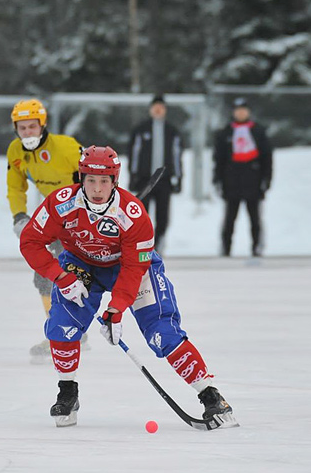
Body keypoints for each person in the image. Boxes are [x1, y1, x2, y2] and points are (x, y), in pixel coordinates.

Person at [19, 145, 236, 427]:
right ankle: (67, 392)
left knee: (162, 332)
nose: (97, 189)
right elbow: (30, 242)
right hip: (82, 264)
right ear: (81, 179)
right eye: (91, 181)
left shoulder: (133, 214)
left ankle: (211, 396)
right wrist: (60, 276)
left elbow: (135, 268)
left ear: (115, 181)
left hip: (129, 266)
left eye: (105, 181)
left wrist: (116, 308)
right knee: (62, 325)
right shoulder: (60, 203)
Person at [6, 98, 86, 363]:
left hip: (78, 216)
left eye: (32, 126)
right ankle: (61, 329)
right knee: (43, 274)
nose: (28, 133)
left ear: (43, 124)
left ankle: (71, 329)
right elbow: (16, 186)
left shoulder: (66, 147)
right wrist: (19, 214)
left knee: (70, 273)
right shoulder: (16, 152)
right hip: (50, 217)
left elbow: (95, 174)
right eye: (22, 128)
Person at [213, 97, 272, 257]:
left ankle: (257, 246)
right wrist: (217, 179)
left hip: (253, 181)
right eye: (237, 110)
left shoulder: (258, 132)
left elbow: (267, 157)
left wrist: (267, 179)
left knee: (255, 218)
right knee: (229, 218)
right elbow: (219, 159)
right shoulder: (225, 133)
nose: (240, 113)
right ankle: (226, 247)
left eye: (243, 110)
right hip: (231, 182)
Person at [128, 94, 183, 253]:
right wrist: (133, 175)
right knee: (142, 215)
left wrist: (178, 177)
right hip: (145, 179)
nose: (158, 110)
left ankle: (158, 243)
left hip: (164, 180)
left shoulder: (172, 131)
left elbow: (176, 154)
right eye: (155, 107)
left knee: (163, 216)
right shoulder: (141, 130)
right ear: (151, 109)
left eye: (161, 107)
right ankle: (143, 244)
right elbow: (135, 154)